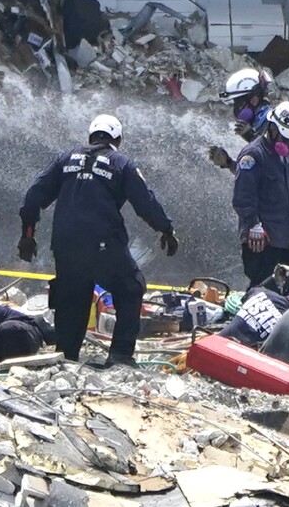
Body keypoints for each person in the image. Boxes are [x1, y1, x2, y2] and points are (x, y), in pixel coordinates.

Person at [18, 114, 178, 367]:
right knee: (131, 287)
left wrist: (27, 235)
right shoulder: (121, 163)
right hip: (103, 243)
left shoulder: (65, 158)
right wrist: (166, 230)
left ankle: (66, 354)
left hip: (65, 243)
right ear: (118, 139)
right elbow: (145, 202)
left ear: (91, 135)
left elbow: (34, 195)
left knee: (72, 295)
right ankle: (120, 356)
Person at [211, 69, 289, 254]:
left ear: (253, 99)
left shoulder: (281, 128)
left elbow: (288, 178)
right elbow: (261, 178)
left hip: (283, 224)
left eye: (238, 102)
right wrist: (229, 163)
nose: (236, 109)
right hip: (270, 228)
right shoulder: (261, 132)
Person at [232, 101, 289, 288]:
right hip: (263, 239)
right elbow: (242, 197)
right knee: (264, 287)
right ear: (273, 129)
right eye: (287, 140)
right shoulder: (253, 156)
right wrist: (254, 224)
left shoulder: (284, 157)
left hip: (286, 234)